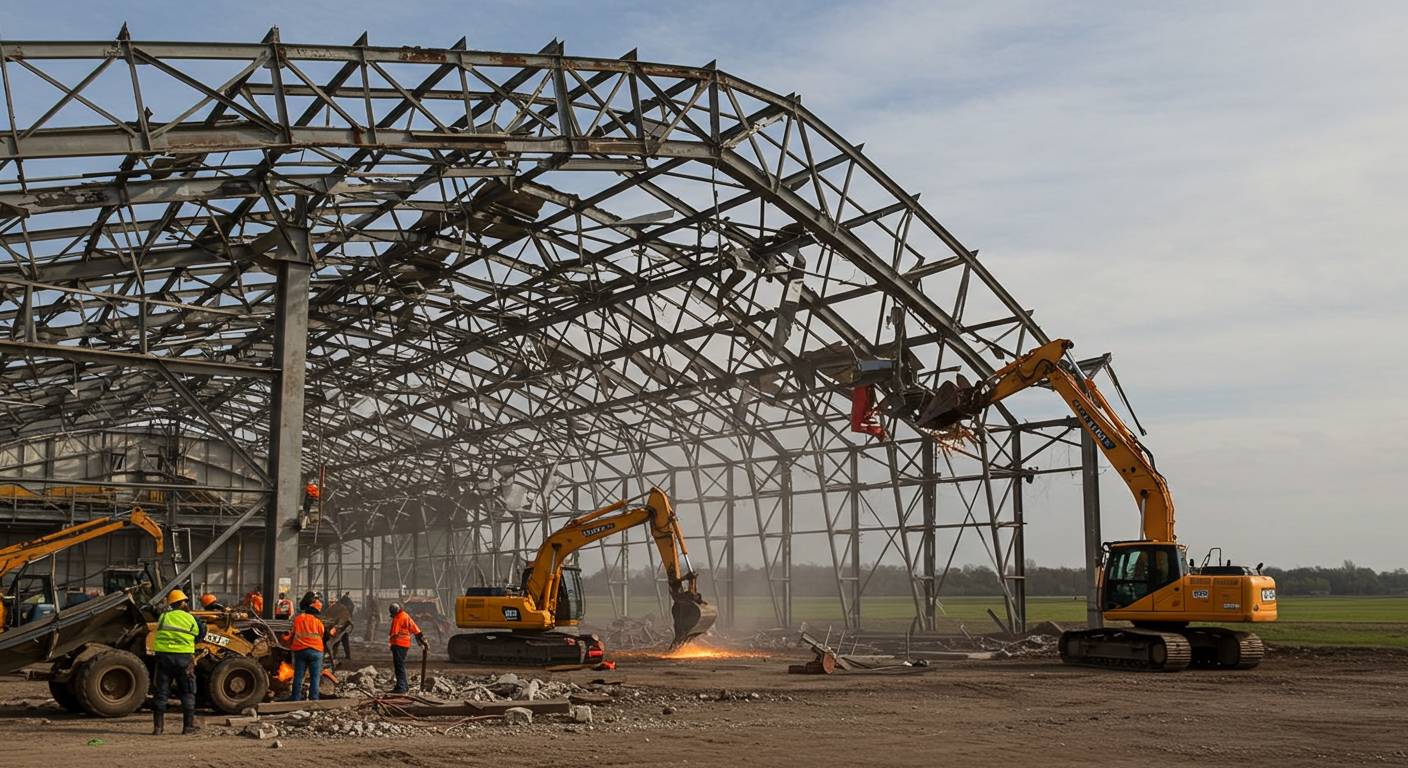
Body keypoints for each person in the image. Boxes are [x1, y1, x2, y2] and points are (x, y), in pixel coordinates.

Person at [151, 589, 206, 735]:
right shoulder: (191, 618)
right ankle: (188, 727)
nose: (187, 603)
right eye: (185, 601)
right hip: (184, 659)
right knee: (187, 691)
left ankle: (158, 728)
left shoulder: (163, 617)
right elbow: (201, 634)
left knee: (161, 692)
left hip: (164, 658)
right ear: (182, 603)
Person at [284, 598, 329, 701]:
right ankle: (313, 698)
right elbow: (325, 636)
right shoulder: (318, 621)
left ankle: (295, 697)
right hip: (316, 651)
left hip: (300, 650)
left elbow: (292, 634)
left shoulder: (298, 619)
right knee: (315, 677)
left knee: (298, 676)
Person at [387, 602, 428, 694]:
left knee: (399, 666)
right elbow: (415, 628)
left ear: (393, 612)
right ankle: (403, 686)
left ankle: (401, 687)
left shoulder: (397, 618)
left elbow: (394, 633)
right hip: (405, 645)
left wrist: (391, 644)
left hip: (398, 644)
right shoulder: (405, 615)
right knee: (400, 665)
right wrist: (421, 639)